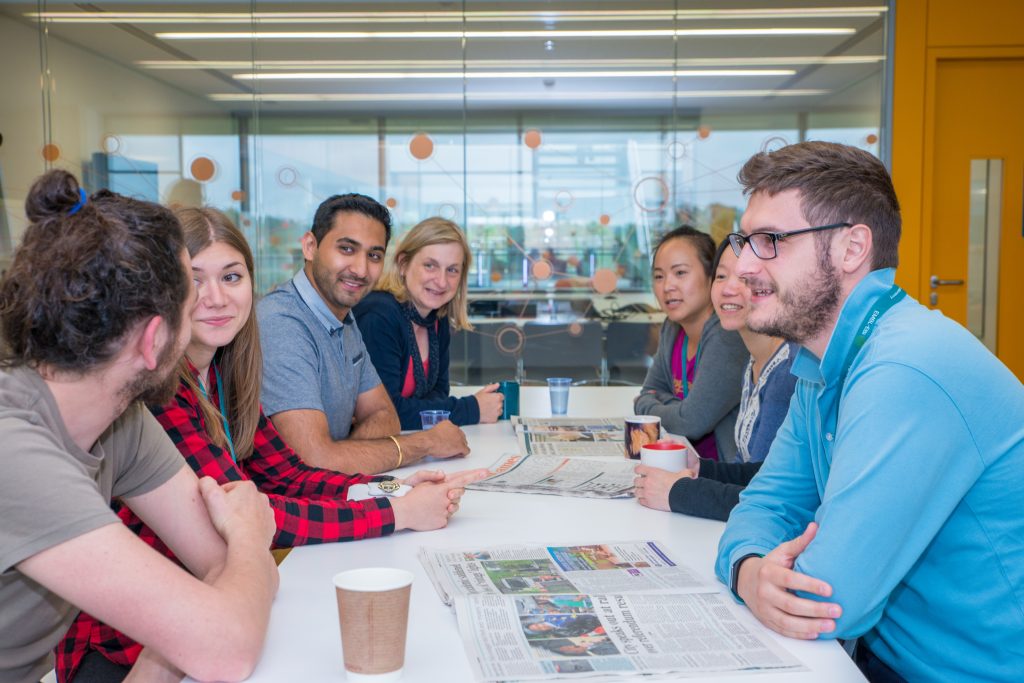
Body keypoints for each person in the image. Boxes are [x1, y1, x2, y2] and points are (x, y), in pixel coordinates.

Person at [57, 208, 483, 682]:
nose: (216, 298)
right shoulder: (159, 390)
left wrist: (390, 491)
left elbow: (289, 476)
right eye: (195, 280)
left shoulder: (226, 373)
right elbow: (249, 520)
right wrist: (397, 513)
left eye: (232, 276)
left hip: (207, 615)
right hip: (130, 646)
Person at [714, 141, 1024, 681]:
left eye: (770, 241)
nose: (742, 266)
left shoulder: (904, 368)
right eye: (745, 242)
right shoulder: (823, 360)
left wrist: (761, 572)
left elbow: (832, 599)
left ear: (852, 248)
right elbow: (765, 502)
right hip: (886, 659)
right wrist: (750, 571)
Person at [0, 170, 278, 683]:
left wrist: (231, 568)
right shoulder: (11, 450)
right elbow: (228, 643)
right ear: (154, 341)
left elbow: (221, 572)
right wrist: (248, 534)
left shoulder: (119, 416)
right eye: (188, 305)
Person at [257, 194, 471, 475]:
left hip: (326, 492)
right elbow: (313, 460)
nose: (360, 269)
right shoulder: (281, 321)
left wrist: (341, 455)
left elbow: (386, 416)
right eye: (346, 249)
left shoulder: (343, 316)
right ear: (310, 246)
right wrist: (427, 442)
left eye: (373, 255)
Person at [634, 239, 798, 521]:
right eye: (721, 276)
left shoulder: (786, 369)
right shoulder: (753, 362)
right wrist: (702, 469)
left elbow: (773, 495)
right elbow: (750, 470)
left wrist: (679, 491)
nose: (729, 288)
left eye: (745, 278)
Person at [353, 217, 503, 430]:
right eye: (430, 265)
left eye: (452, 270)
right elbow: (384, 413)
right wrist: (472, 409)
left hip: (407, 442)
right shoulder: (380, 316)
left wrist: (423, 410)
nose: (442, 282)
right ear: (403, 264)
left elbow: (438, 394)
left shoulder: (436, 317)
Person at [633, 225, 748, 461]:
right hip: (678, 465)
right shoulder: (672, 329)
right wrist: (676, 406)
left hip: (719, 478)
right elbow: (647, 391)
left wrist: (653, 404)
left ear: (710, 277)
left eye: (680, 273)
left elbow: (691, 422)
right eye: (659, 276)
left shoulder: (728, 335)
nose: (667, 286)